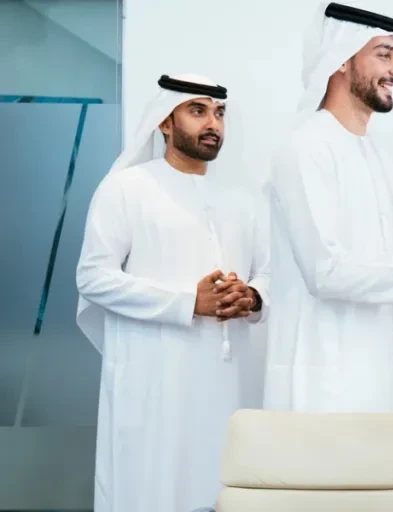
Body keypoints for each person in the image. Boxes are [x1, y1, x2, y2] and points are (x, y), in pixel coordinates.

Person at [75, 73, 269, 512]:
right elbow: (93, 277)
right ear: (165, 121)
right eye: (198, 111)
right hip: (153, 377)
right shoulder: (126, 188)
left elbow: (271, 272)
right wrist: (188, 302)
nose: (213, 124)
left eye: (219, 113)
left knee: (221, 485)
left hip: (226, 378)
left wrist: (253, 297)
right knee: (152, 489)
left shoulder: (242, 198)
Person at [264, 2, 393, 413]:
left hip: (386, 376)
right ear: (341, 60)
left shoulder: (384, 159)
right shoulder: (306, 147)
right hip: (325, 378)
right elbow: (325, 271)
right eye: (384, 53)